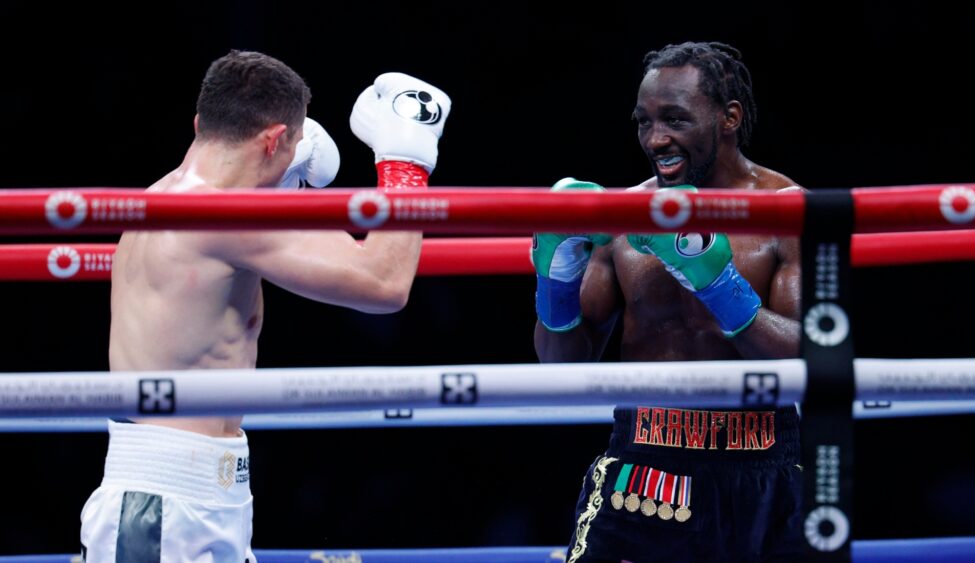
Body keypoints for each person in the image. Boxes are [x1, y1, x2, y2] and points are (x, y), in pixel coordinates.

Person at [79, 50, 450, 562]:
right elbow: (384, 283)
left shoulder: (166, 195)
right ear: (275, 140)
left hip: (199, 488)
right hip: (165, 501)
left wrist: (280, 180)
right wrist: (405, 163)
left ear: (200, 123)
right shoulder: (223, 215)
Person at [533, 42, 802, 562]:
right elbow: (561, 364)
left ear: (728, 117)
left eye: (675, 119)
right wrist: (556, 280)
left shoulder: (787, 214)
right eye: (644, 122)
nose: (657, 139)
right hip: (644, 465)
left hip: (763, 464)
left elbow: (811, 353)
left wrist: (715, 282)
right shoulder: (622, 219)